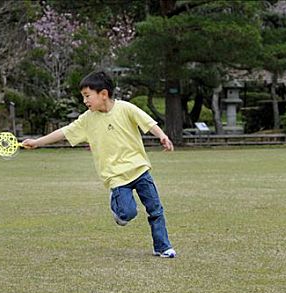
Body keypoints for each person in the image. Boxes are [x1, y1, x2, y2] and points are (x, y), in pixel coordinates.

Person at [22, 71, 176, 258]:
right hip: (116, 176)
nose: (85, 101)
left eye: (87, 96)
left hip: (140, 169)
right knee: (127, 214)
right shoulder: (87, 119)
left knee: (155, 209)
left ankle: (162, 246)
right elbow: (64, 132)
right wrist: (37, 142)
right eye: (83, 97)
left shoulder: (126, 108)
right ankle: (117, 204)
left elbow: (148, 122)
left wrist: (162, 136)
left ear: (103, 94)